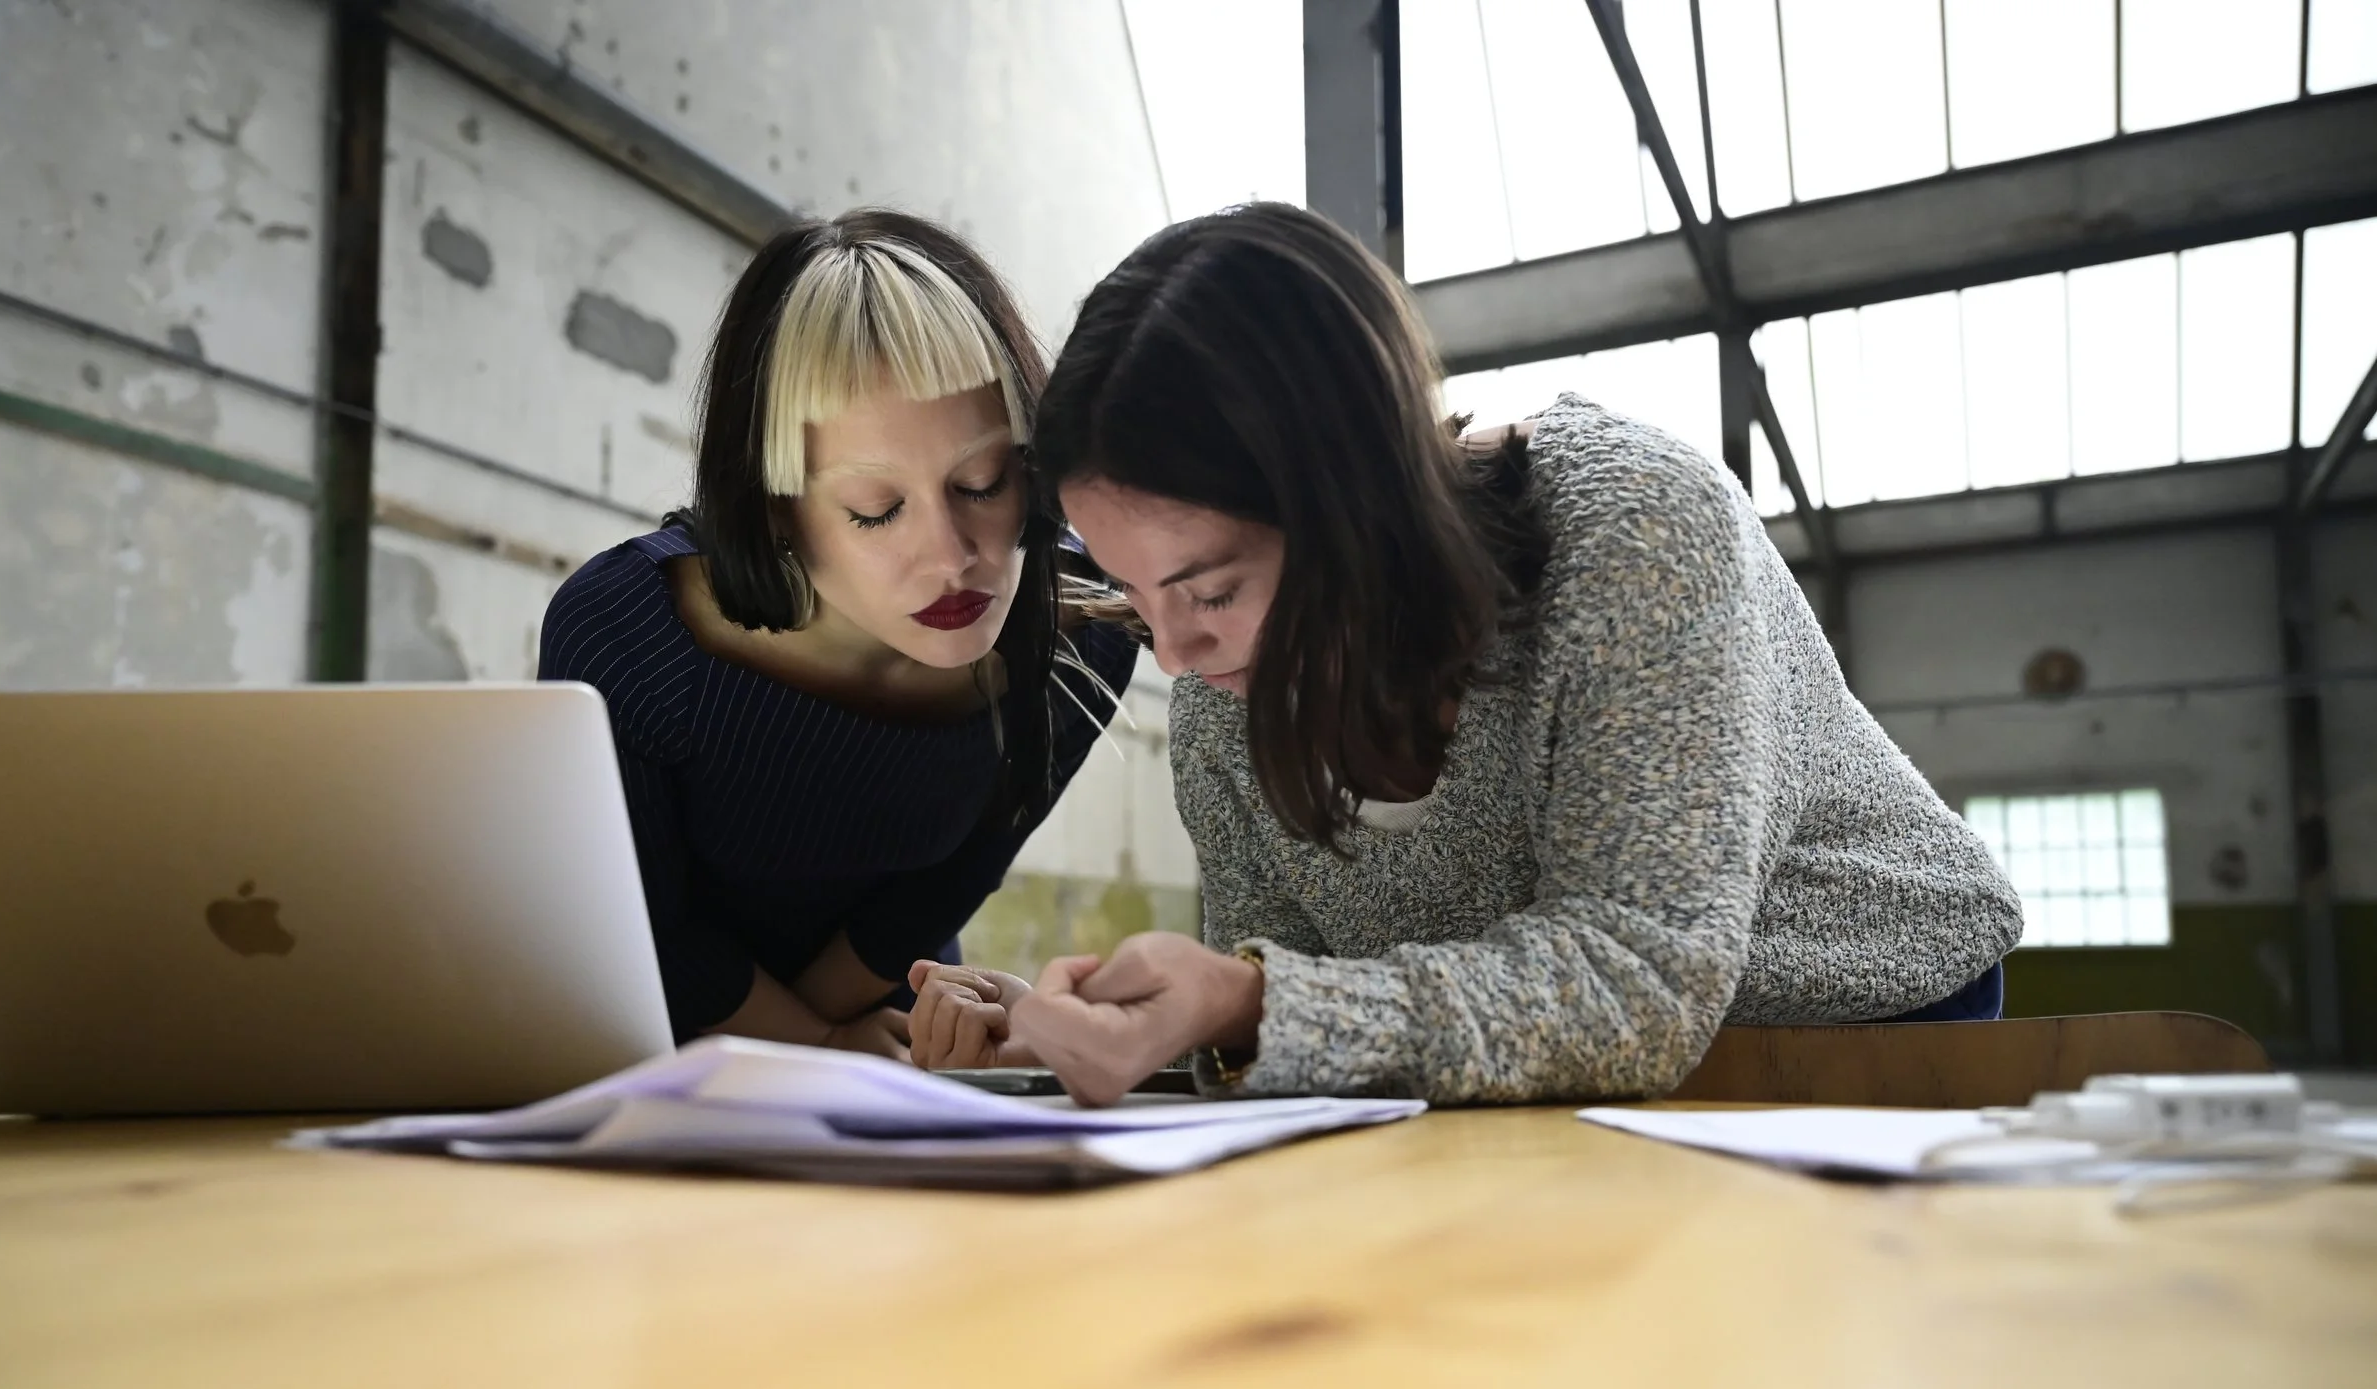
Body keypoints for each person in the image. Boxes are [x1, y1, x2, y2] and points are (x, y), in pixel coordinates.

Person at [908, 202, 2020, 1104]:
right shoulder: (1219, 697)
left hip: (1856, 1042)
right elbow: (1296, 1013)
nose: (1180, 656)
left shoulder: (1636, 529)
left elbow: (1635, 980)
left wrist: (1253, 1003)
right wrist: (1116, 1030)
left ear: (1357, 502)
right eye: (1138, 598)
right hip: (1534, 1090)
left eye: (1212, 588)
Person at [542, 209, 1135, 1060]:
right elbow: (638, 923)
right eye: (875, 509)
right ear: (779, 510)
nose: (952, 556)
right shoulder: (629, 630)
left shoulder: (1087, 627)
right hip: (654, 1056)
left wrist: (838, 1039)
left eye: (982, 481)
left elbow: (941, 892)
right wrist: (813, 1042)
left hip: (885, 1039)